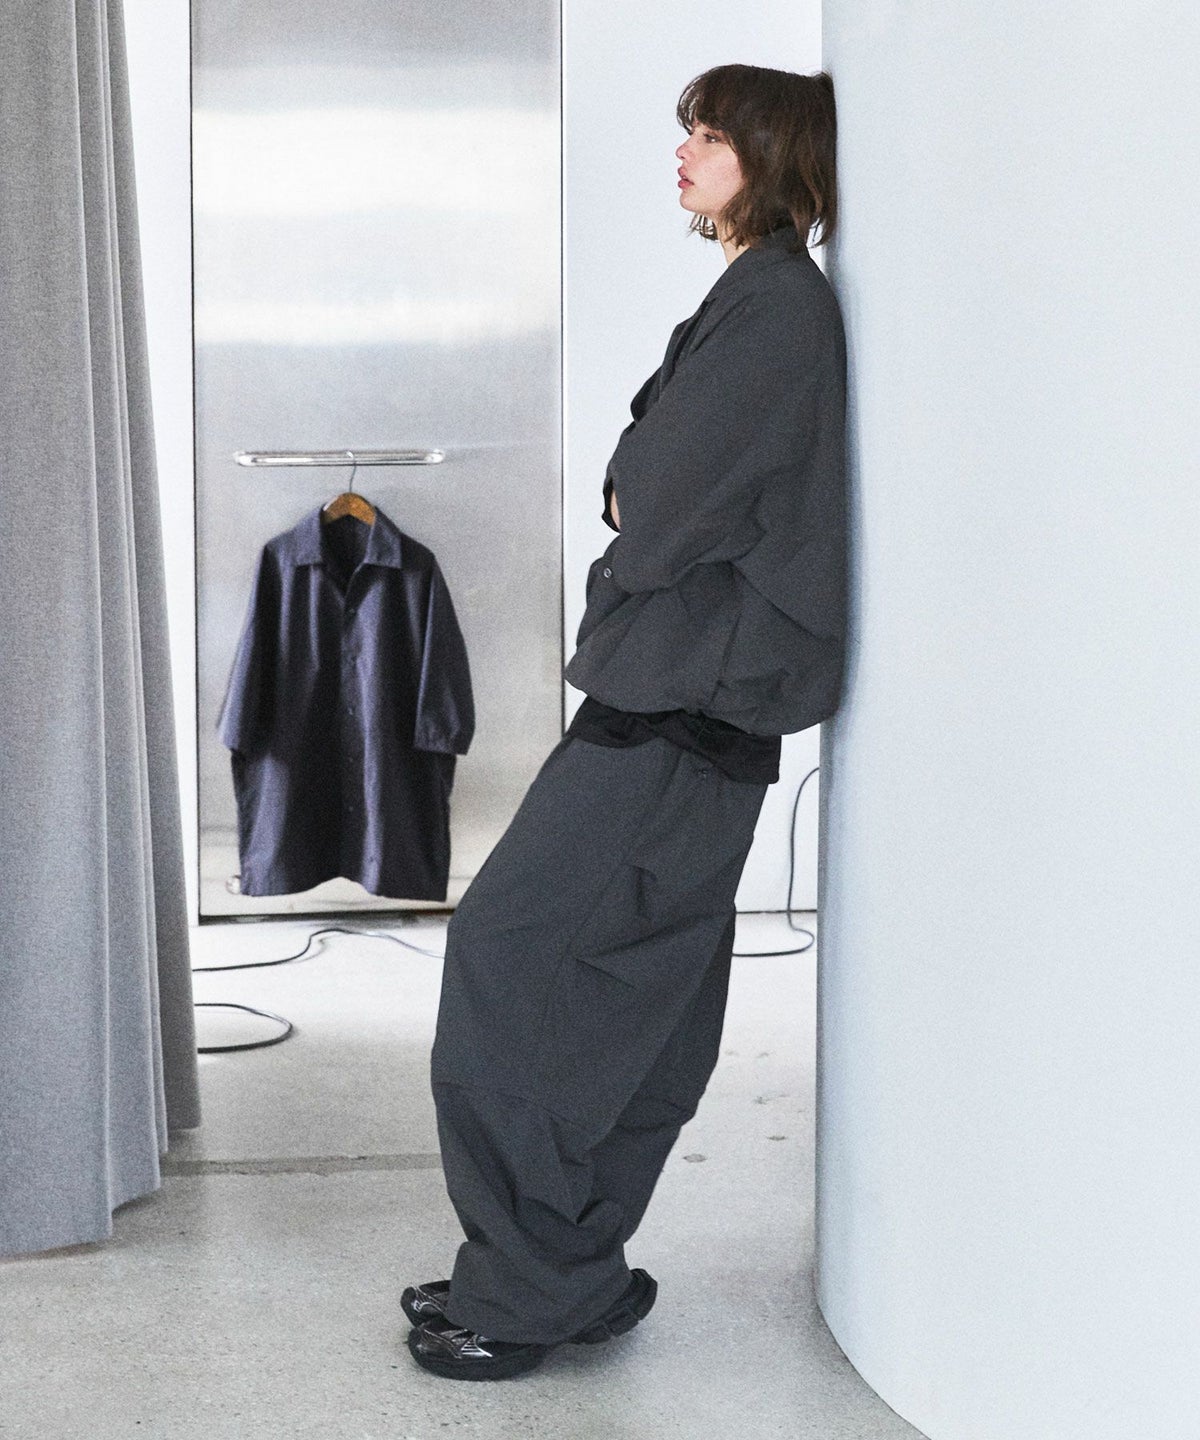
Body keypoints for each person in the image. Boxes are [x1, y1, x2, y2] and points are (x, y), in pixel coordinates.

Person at [404, 62, 847, 1381]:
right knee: (628, 1000)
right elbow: (653, 487)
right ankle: (555, 1271)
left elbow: (648, 498)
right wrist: (634, 491)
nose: (686, 152)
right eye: (688, 132)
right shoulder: (760, 299)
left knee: (517, 967)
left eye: (711, 135)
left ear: (772, 158)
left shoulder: (777, 310)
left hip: (680, 711)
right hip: (681, 705)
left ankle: (528, 1288)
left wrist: (629, 494)